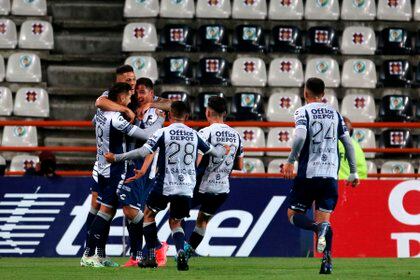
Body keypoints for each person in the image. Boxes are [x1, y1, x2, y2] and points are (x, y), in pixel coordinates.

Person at [105, 101, 229, 271]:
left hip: (165, 184)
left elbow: (142, 152)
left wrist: (117, 157)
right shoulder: (195, 135)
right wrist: (225, 149)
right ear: (187, 117)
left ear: (170, 115)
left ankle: (150, 257)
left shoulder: (163, 132)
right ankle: (180, 253)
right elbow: (216, 152)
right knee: (176, 222)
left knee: (148, 215)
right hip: (186, 186)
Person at [80, 83, 164, 268]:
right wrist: (159, 121)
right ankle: (88, 255)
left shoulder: (101, 114)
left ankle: (98, 256)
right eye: (128, 96)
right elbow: (145, 134)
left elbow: (94, 121)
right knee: (105, 212)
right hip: (115, 169)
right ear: (120, 97)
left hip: (101, 167)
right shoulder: (117, 120)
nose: (130, 99)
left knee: (106, 212)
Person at [282, 78, 360, 274]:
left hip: (309, 173)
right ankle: (327, 262)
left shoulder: (303, 111)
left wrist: (291, 161)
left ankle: (317, 229)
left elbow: (299, 136)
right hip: (330, 175)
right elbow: (348, 144)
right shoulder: (336, 114)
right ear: (323, 94)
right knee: (325, 220)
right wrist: (353, 171)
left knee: (293, 215)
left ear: (305, 93)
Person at [183, 96, 244, 258]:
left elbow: (196, 162)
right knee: (202, 221)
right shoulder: (236, 136)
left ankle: (179, 248)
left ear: (208, 112)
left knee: (177, 215)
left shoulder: (205, 132)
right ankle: (187, 252)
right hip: (222, 189)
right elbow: (240, 166)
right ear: (225, 113)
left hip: (201, 186)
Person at [119, 77, 170, 267]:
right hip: (131, 162)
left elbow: (152, 136)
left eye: (143, 92)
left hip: (143, 167)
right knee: (131, 212)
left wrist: (151, 103)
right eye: (137, 92)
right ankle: (137, 256)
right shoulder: (130, 104)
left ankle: (156, 246)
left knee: (131, 210)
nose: (139, 96)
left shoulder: (157, 109)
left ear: (151, 92)